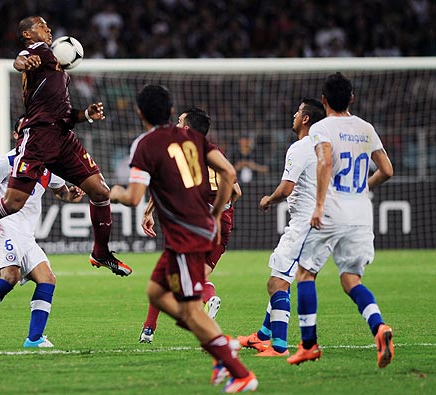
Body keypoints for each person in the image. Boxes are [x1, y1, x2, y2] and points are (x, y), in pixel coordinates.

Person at [0, 16, 131, 278]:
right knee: (12, 203)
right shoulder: (37, 52)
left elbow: (64, 114)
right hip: (38, 139)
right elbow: (19, 60)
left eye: (48, 26)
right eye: (42, 27)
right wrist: (22, 63)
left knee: (100, 191)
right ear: (28, 35)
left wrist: (85, 115)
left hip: (63, 138)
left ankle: (100, 252)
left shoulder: (59, 71)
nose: (48, 30)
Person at [110, 85, 257, 393]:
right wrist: (216, 214)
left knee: (190, 309)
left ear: (140, 113)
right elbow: (229, 173)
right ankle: (216, 342)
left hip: (186, 235)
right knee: (156, 291)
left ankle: (235, 366)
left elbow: (134, 196)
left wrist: (112, 192)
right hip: (192, 231)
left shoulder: (146, 144)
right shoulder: (194, 139)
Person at [286, 73, 395, 368]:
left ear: (323, 101)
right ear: (351, 99)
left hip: (332, 210)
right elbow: (386, 169)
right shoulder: (366, 128)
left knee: (305, 274)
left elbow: (324, 162)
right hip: (360, 213)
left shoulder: (321, 128)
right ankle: (379, 327)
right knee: (351, 280)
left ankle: (308, 345)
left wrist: (319, 205)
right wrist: (363, 189)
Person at [0, 126, 85, 349]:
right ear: (17, 136)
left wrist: (70, 195)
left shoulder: (49, 166)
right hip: (4, 227)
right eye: (24, 132)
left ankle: (34, 338)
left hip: (27, 235)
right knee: (10, 276)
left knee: (48, 278)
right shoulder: (7, 161)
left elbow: (61, 191)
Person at [139, 107, 242, 343]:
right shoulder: (214, 152)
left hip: (190, 222)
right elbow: (236, 190)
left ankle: (148, 329)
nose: (175, 125)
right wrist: (220, 211)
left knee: (166, 275)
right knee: (194, 276)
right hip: (220, 224)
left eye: (179, 121)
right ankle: (208, 300)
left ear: (186, 129)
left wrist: (149, 210)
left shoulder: (180, 153)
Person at [237, 99, 326, 357]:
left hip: (304, 224)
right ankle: (263, 335)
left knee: (276, 281)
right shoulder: (323, 147)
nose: (294, 115)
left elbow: (287, 188)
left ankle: (278, 347)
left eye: (298, 112)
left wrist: (268, 199)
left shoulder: (300, 148)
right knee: (284, 279)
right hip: (318, 221)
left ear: (306, 119)